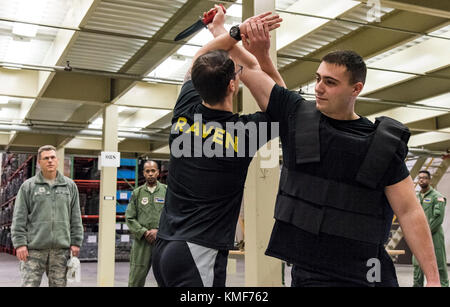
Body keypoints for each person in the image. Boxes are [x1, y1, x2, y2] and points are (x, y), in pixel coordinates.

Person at [231, 19, 441, 286]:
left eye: (330, 82)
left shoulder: (382, 144)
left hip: (366, 275)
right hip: (310, 273)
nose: (318, 87)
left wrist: (433, 280)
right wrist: (233, 34)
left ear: (356, 89)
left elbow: (410, 211)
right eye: (318, 78)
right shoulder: (298, 116)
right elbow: (246, 67)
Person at [152, 7, 283, 287]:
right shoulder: (245, 133)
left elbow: (199, 59)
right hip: (198, 252)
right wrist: (261, 54)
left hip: (165, 247)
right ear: (233, 86)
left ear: (196, 85)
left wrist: (228, 33)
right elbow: (281, 102)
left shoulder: (185, 112)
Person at [11, 145, 83, 287]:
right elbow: (19, 217)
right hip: (33, 250)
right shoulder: (28, 186)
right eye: (46, 158)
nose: (50, 161)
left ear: (57, 160)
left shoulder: (69, 186)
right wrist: (20, 244)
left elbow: (75, 217)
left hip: (60, 250)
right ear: (39, 162)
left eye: (52, 157)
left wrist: (76, 241)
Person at [125, 160, 167, 287]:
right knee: (136, 279)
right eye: (147, 171)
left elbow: (172, 216)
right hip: (142, 243)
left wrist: (159, 231)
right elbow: (129, 217)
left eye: (153, 171)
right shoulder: (137, 193)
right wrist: (144, 232)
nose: (150, 174)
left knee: (165, 277)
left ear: (158, 172)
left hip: (162, 241)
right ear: (143, 173)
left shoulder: (167, 191)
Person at [412, 170, 448, 287]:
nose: (421, 180)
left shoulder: (437, 197)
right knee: (418, 265)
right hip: (419, 237)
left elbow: (438, 219)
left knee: (439, 265)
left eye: (424, 178)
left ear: (429, 180)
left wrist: (425, 233)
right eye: (419, 178)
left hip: (434, 236)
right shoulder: (416, 198)